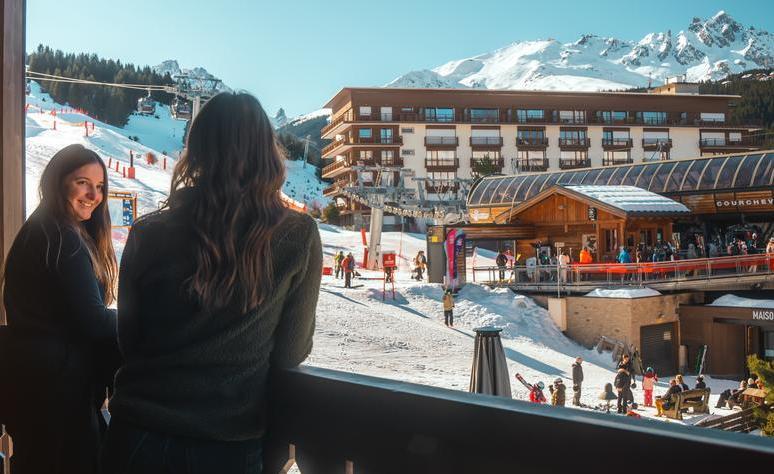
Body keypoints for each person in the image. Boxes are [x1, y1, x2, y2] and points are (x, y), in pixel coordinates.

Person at [102, 92, 322, 473]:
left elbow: (130, 340)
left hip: (137, 434)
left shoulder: (148, 232)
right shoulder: (296, 234)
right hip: (226, 445)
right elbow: (290, 352)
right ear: (267, 153)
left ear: (197, 149)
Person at [0, 144, 119, 473]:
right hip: (57, 396)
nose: (94, 194)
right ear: (58, 182)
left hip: (35, 388)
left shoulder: (41, 230)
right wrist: (147, 321)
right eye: (83, 182)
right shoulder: (61, 238)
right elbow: (94, 320)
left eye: (100, 186)